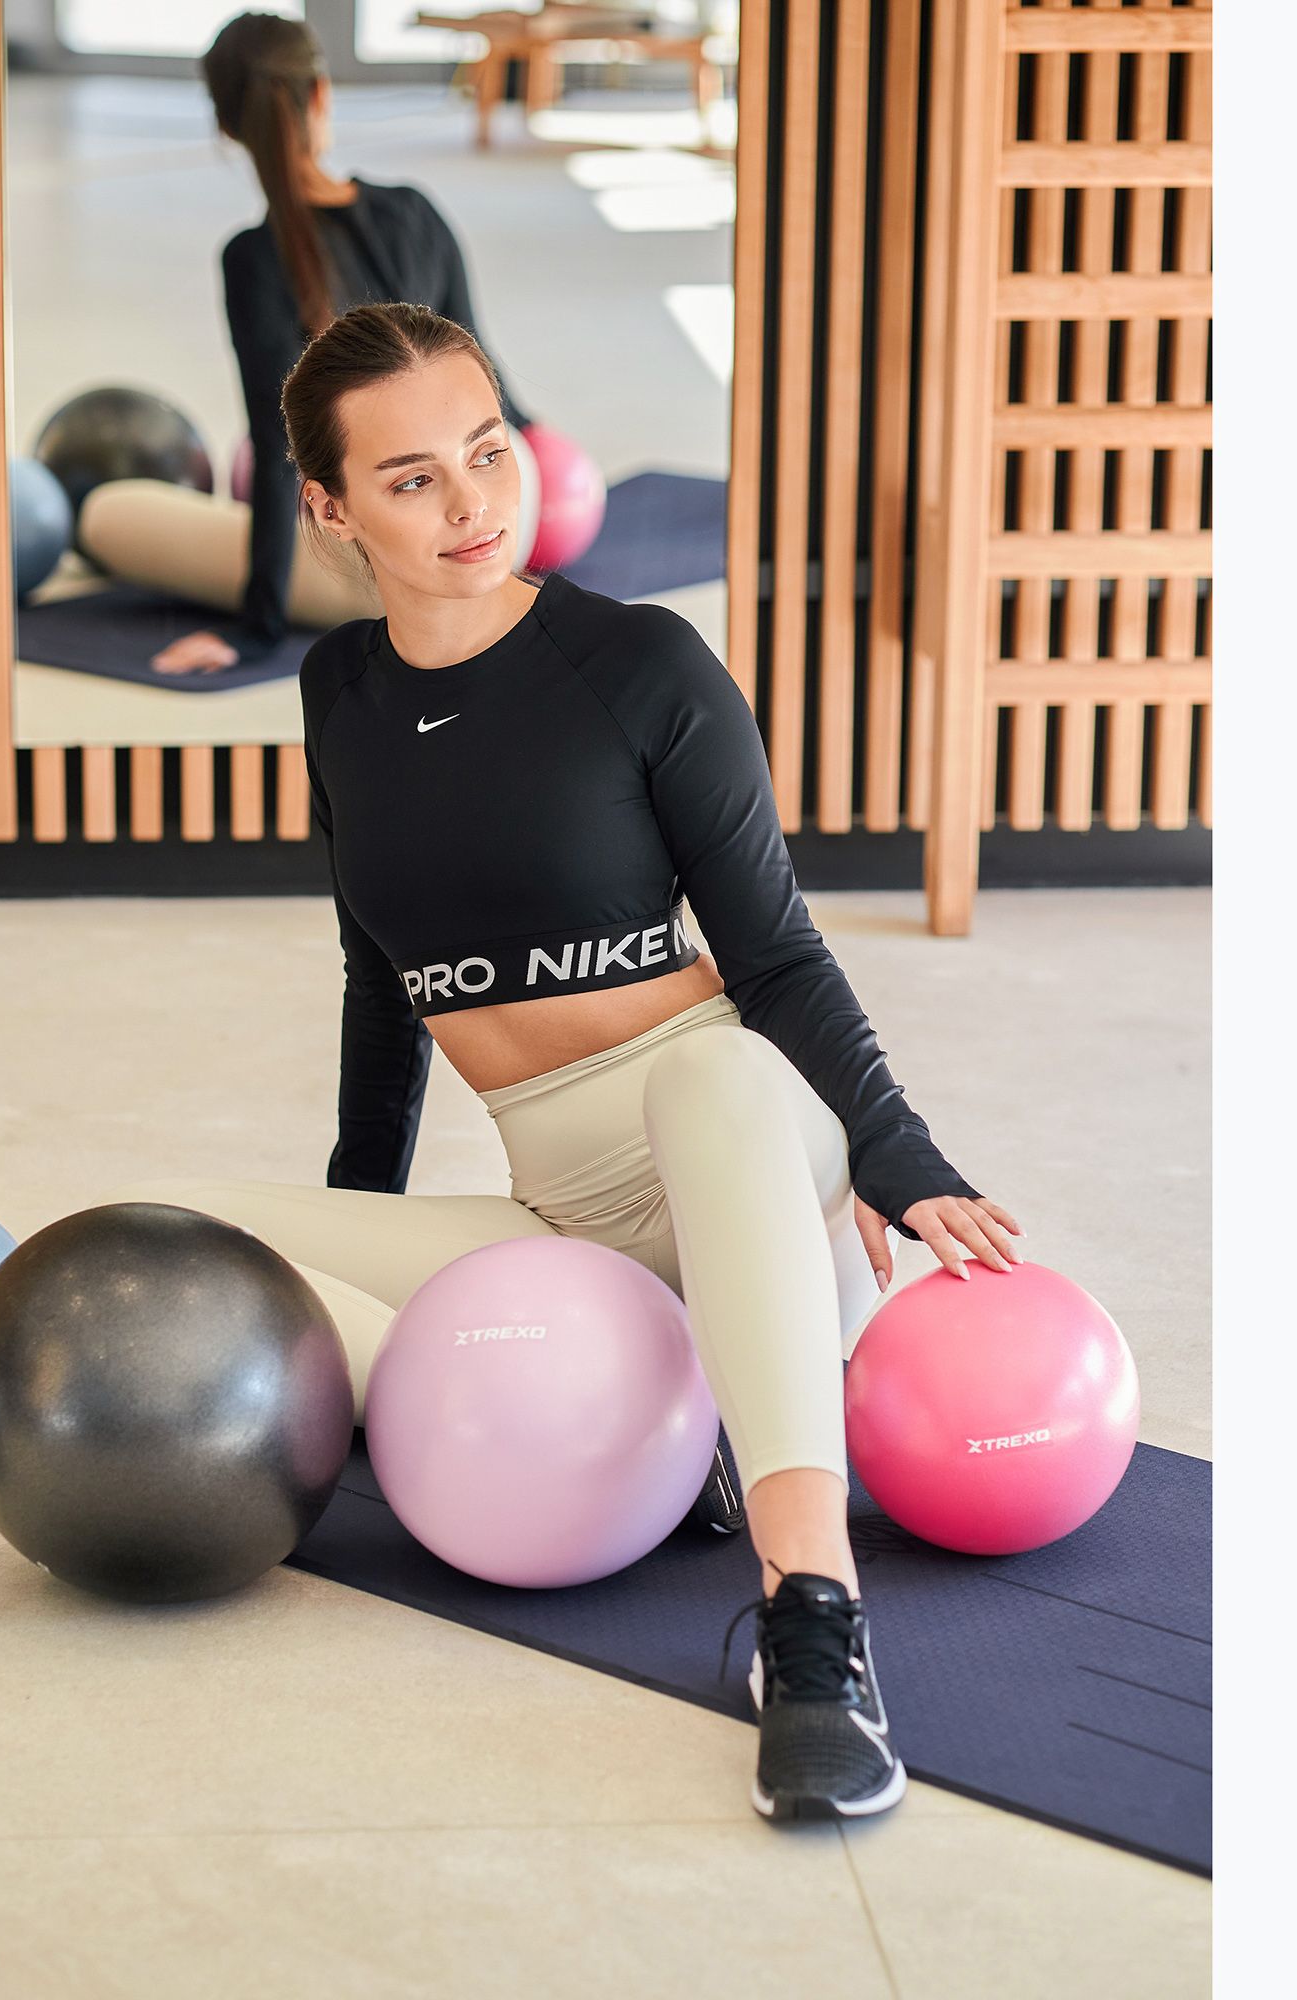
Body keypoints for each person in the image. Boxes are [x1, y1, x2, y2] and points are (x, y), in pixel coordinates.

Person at [107, 299, 1023, 1825]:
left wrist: (900, 1152)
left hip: (743, 1160)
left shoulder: (641, 665)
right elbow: (380, 981)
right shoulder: (340, 695)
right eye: (411, 479)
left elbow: (779, 957)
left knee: (710, 1077)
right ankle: (680, 1423)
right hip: (566, 1227)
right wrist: (356, 1217)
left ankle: (814, 1624)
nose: (472, 503)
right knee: (170, 1236)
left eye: (488, 450)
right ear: (327, 507)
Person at [135, 11, 534, 675]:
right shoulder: (413, 211)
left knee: (113, 519)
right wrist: (535, 445)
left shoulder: (252, 258)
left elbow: (273, 447)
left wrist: (257, 629)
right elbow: (480, 369)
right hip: (499, 530)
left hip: (373, 560)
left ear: (228, 126)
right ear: (321, 93)